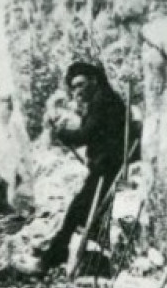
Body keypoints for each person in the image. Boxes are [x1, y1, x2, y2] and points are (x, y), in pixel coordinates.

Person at [38, 61, 132, 272]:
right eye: (74, 87)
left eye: (81, 84)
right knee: (92, 216)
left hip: (107, 168)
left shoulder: (103, 101)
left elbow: (84, 135)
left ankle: (52, 259)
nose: (77, 91)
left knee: (76, 212)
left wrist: (61, 133)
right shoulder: (103, 99)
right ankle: (91, 262)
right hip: (105, 166)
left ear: (94, 80)